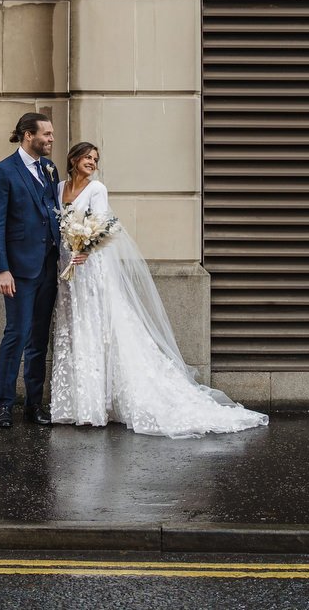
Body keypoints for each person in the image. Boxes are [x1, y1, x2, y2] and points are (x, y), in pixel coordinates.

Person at [50, 141, 268, 439]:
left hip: (90, 269)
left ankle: (92, 408)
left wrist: (86, 249)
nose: (92, 162)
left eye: (96, 159)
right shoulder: (58, 186)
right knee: (72, 330)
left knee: (94, 328)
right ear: (73, 159)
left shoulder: (97, 188)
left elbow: (102, 229)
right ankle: (71, 406)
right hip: (67, 270)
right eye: (87, 157)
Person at [0, 112, 61, 429]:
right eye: (46, 134)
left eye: (52, 134)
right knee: (16, 335)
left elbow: (53, 213)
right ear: (28, 135)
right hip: (18, 270)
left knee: (39, 340)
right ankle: (4, 405)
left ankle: (33, 405)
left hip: (48, 267)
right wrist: (2, 269)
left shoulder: (49, 170)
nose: (51, 139)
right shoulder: (3, 172)